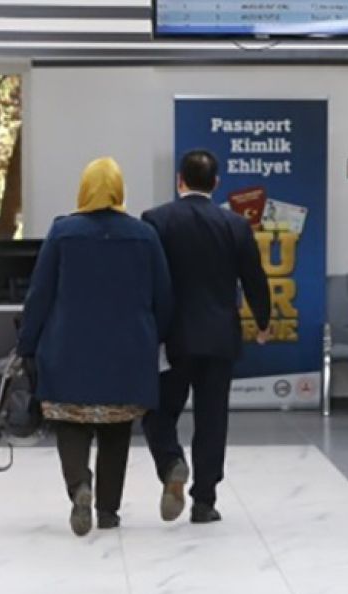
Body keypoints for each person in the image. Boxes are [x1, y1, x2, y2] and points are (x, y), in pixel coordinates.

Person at [17, 157, 173, 535]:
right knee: (116, 431)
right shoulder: (144, 235)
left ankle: (79, 487)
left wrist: (27, 344)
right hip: (127, 351)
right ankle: (108, 511)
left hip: (68, 349)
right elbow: (163, 296)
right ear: (119, 190)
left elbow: (40, 293)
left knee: (70, 424)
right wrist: (156, 338)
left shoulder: (63, 232)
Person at [141, 149, 270, 525]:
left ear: (179, 180)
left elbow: (145, 278)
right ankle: (204, 501)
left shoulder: (156, 221)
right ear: (216, 183)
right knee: (212, 420)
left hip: (171, 338)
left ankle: (171, 462)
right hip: (219, 337)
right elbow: (254, 278)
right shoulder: (235, 225)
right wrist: (263, 321)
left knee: (157, 411)